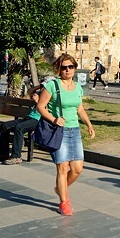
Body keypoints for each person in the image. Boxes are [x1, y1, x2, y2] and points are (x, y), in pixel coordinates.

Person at [37, 53, 95, 216]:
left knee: (77, 169)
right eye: (64, 67)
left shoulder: (77, 86)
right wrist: (54, 119)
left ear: (75, 68)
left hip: (74, 130)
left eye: (71, 67)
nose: (68, 70)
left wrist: (89, 124)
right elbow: (40, 107)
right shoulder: (52, 86)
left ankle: (59, 188)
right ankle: (64, 202)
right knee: (62, 168)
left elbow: (79, 108)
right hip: (58, 131)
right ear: (59, 69)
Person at [0, 85, 42, 164]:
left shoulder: (50, 96)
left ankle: (16, 156)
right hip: (28, 118)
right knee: (5, 126)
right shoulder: (40, 92)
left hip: (38, 120)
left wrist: (38, 102)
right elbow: (29, 92)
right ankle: (3, 154)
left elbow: (48, 111)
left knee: (19, 128)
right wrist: (38, 86)